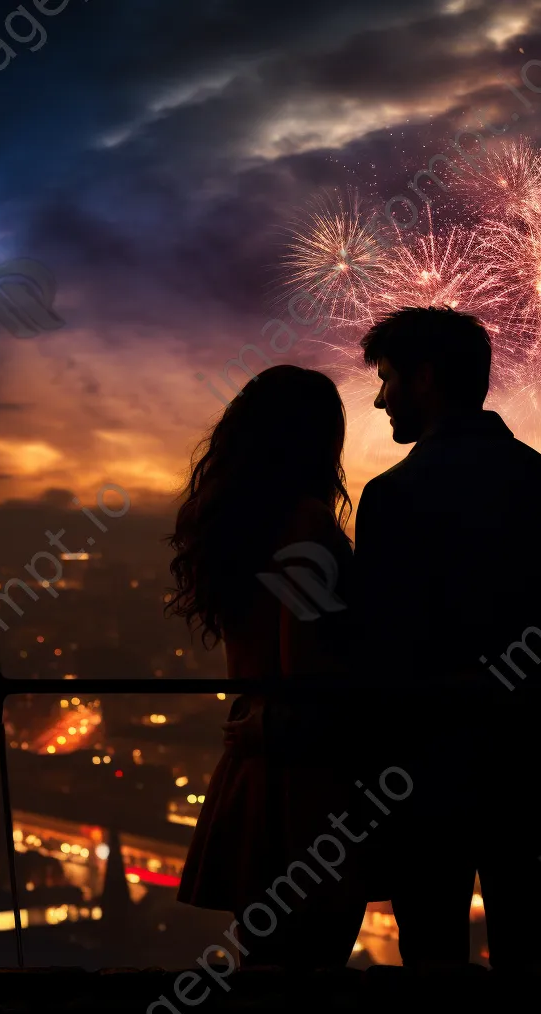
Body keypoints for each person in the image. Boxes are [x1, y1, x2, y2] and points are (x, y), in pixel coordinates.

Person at [355, 306, 541, 969]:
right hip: (527, 758)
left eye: (387, 379)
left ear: (426, 379)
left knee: (432, 950)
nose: (380, 399)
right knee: (529, 945)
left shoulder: (392, 497)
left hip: (424, 768)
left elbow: (381, 649)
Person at [167, 364, 368, 969]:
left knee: (270, 970)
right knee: (312, 965)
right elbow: (302, 665)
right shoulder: (305, 524)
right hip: (304, 778)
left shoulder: (234, 527)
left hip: (258, 767)